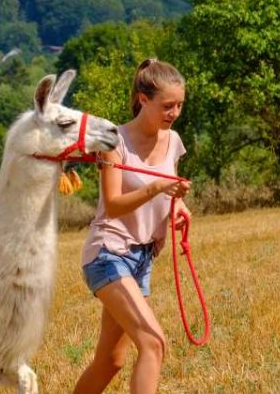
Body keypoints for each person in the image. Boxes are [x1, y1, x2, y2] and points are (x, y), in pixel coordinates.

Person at [74, 58, 192, 394]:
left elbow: (168, 194)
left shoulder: (173, 141)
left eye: (180, 105)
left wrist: (178, 206)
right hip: (108, 253)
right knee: (153, 342)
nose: (174, 112)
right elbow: (112, 205)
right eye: (167, 105)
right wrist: (156, 188)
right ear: (143, 99)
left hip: (142, 259)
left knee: (110, 361)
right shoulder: (115, 142)